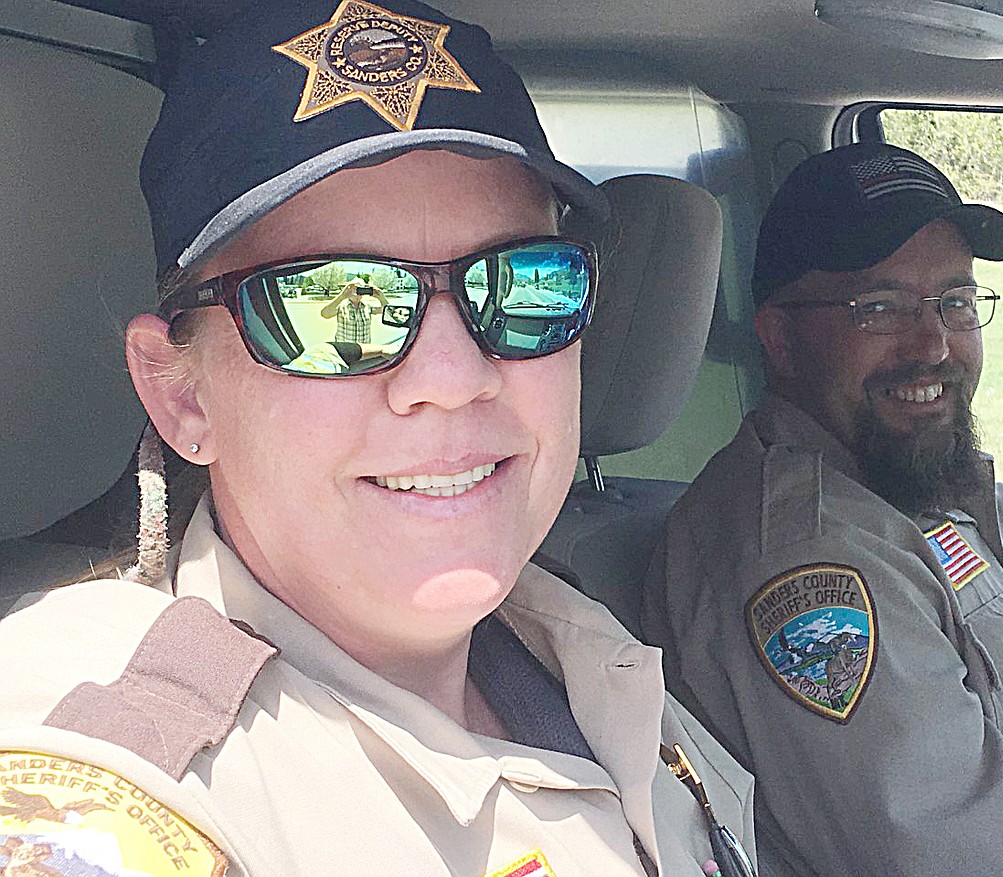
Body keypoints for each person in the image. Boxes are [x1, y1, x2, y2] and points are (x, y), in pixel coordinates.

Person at [0, 2, 757, 875]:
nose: (452, 375)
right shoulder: (116, 781)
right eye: (336, 304)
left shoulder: (580, 649)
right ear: (182, 398)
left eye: (519, 282)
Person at [641, 142, 1003, 877]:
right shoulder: (813, 569)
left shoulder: (899, 476)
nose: (937, 345)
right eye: (881, 308)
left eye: (955, 302)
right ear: (782, 338)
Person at [319, 276, 390, 343]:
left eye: (360, 289)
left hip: (364, 352)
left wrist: (381, 296)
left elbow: (388, 312)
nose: (357, 292)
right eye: (354, 288)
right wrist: (341, 296)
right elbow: (324, 314)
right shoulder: (341, 306)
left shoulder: (367, 307)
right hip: (344, 352)